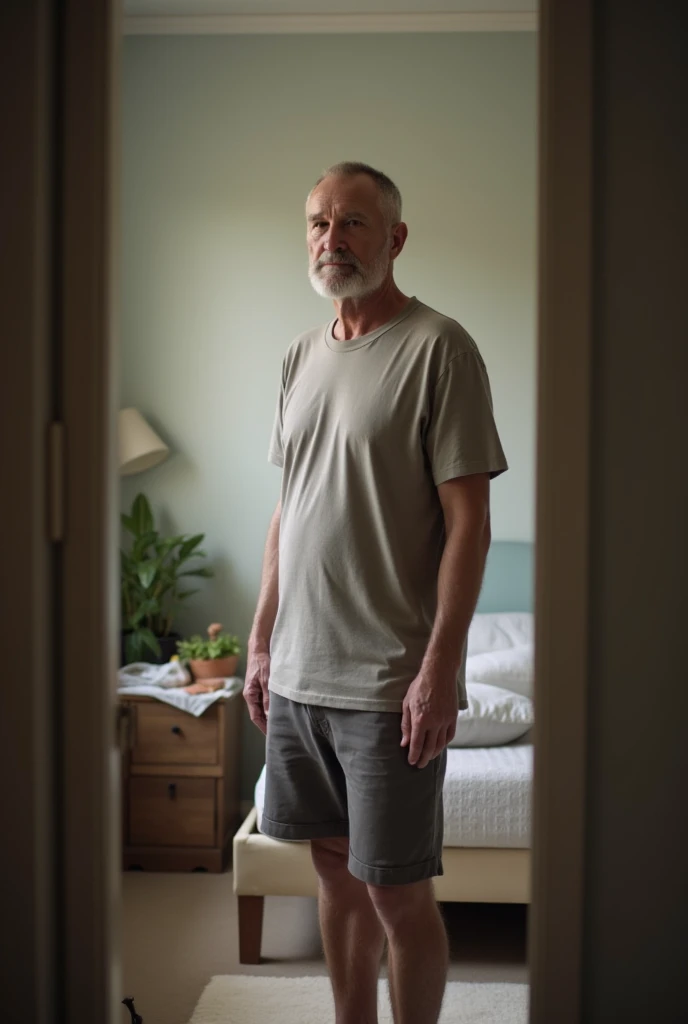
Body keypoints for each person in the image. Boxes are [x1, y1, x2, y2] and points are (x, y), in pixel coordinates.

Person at [244, 161, 508, 1024]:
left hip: (388, 683)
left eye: (354, 223)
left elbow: (469, 523)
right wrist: (258, 641)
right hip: (298, 675)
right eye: (320, 223)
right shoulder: (297, 357)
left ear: (394, 238)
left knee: (396, 897)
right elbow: (290, 514)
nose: (332, 239)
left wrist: (442, 667)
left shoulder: (440, 348)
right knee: (331, 874)